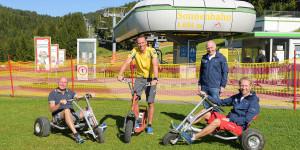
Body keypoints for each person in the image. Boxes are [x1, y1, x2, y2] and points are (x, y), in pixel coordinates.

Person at [178, 77, 260, 144]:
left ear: (251, 86)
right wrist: (207, 96)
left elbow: (246, 120)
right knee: (204, 111)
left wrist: (231, 119)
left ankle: (192, 138)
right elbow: (222, 102)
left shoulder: (254, 102)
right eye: (242, 85)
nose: (243, 88)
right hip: (229, 120)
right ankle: (183, 127)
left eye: (246, 86)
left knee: (217, 121)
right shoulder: (237, 97)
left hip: (239, 127)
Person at [117, 34, 159, 134]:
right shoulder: (134, 51)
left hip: (151, 78)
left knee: (150, 102)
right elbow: (127, 62)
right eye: (139, 43)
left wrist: (155, 78)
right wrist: (120, 74)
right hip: (139, 78)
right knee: (134, 99)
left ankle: (149, 125)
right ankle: (136, 121)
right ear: (137, 44)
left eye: (143, 43)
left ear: (146, 43)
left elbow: (155, 64)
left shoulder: (151, 51)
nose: (141, 45)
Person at [48, 76, 95, 144]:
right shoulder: (52, 94)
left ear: (67, 84)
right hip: (59, 116)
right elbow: (52, 109)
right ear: (58, 82)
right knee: (67, 110)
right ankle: (76, 135)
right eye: (61, 82)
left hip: (71, 115)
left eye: (65, 82)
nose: (63, 84)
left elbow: (80, 97)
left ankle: (96, 128)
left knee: (89, 109)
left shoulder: (69, 92)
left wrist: (89, 95)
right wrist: (60, 104)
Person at [198, 40, 229, 113]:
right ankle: (208, 123)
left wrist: (223, 86)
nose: (210, 49)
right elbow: (201, 72)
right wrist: (200, 84)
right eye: (208, 48)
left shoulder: (221, 58)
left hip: (215, 87)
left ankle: (216, 123)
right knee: (206, 107)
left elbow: (225, 72)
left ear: (215, 47)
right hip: (204, 87)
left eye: (211, 47)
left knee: (216, 107)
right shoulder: (204, 58)